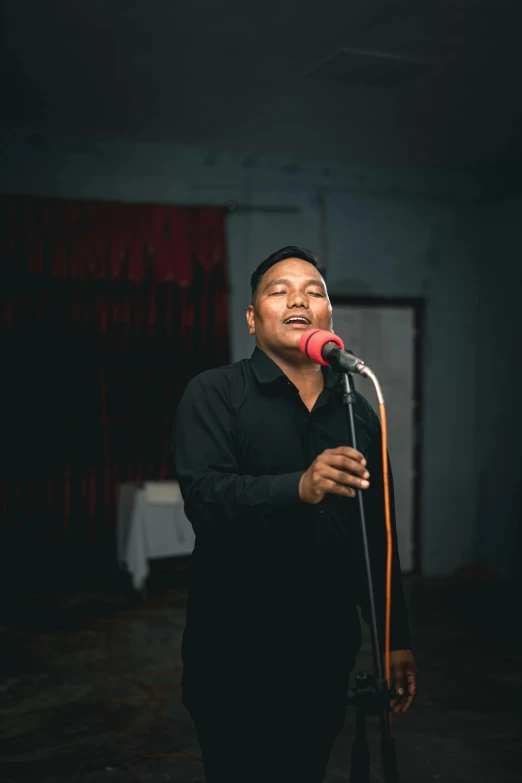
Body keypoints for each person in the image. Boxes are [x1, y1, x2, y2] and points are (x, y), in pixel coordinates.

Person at [173, 246, 418, 783]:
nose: (298, 299)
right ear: (253, 319)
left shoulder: (355, 407)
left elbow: (379, 531)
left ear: (329, 316)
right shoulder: (215, 393)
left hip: (324, 649)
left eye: (314, 291)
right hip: (233, 648)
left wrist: (394, 636)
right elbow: (207, 496)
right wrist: (299, 487)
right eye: (278, 290)